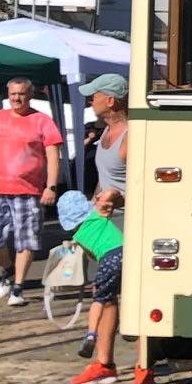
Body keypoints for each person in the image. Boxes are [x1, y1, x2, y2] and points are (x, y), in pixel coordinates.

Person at [0, 77, 62, 307]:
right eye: (13, 94)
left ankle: (18, 288)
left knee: (26, 240)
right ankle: (9, 270)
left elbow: (52, 155)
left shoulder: (42, 120)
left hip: (28, 190)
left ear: (30, 95)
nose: (16, 98)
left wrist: (51, 186)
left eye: (21, 94)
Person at [61, 189, 152, 384]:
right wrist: (105, 198)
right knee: (135, 304)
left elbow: (95, 257)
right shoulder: (97, 214)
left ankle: (91, 335)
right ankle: (139, 368)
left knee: (100, 298)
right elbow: (111, 192)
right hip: (130, 253)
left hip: (112, 258)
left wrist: (106, 200)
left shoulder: (79, 235)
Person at [77, 73, 128, 360]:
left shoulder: (130, 136)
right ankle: (103, 361)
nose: (90, 99)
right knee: (103, 291)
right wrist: (95, 203)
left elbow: (148, 187)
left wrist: (118, 197)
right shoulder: (104, 135)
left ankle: (142, 368)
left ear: (110, 100)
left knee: (130, 292)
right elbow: (105, 179)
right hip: (105, 224)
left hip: (125, 225)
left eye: (94, 95)